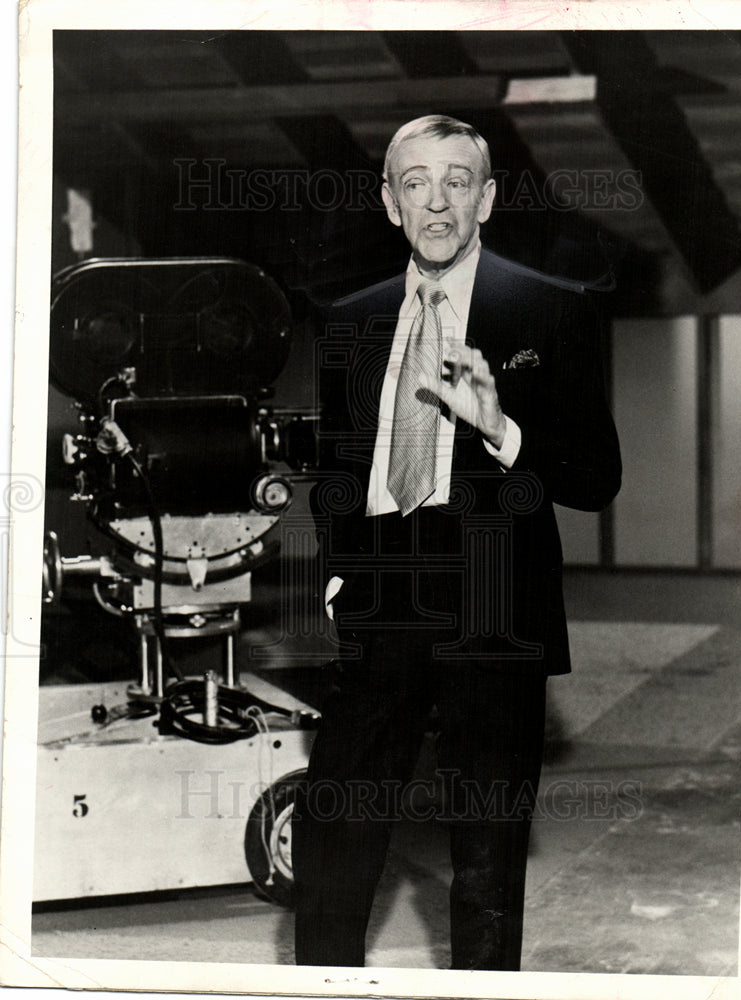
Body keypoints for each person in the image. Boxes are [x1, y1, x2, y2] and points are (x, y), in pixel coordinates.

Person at [291, 114, 621, 971]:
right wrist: (339, 579)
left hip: (494, 605)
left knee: (485, 860)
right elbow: (337, 465)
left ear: (488, 199)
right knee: (336, 838)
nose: (436, 203)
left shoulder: (552, 311)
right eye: (415, 183)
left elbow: (595, 479)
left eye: (457, 182)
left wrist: (500, 425)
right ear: (390, 203)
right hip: (380, 600)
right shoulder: (352, 320)